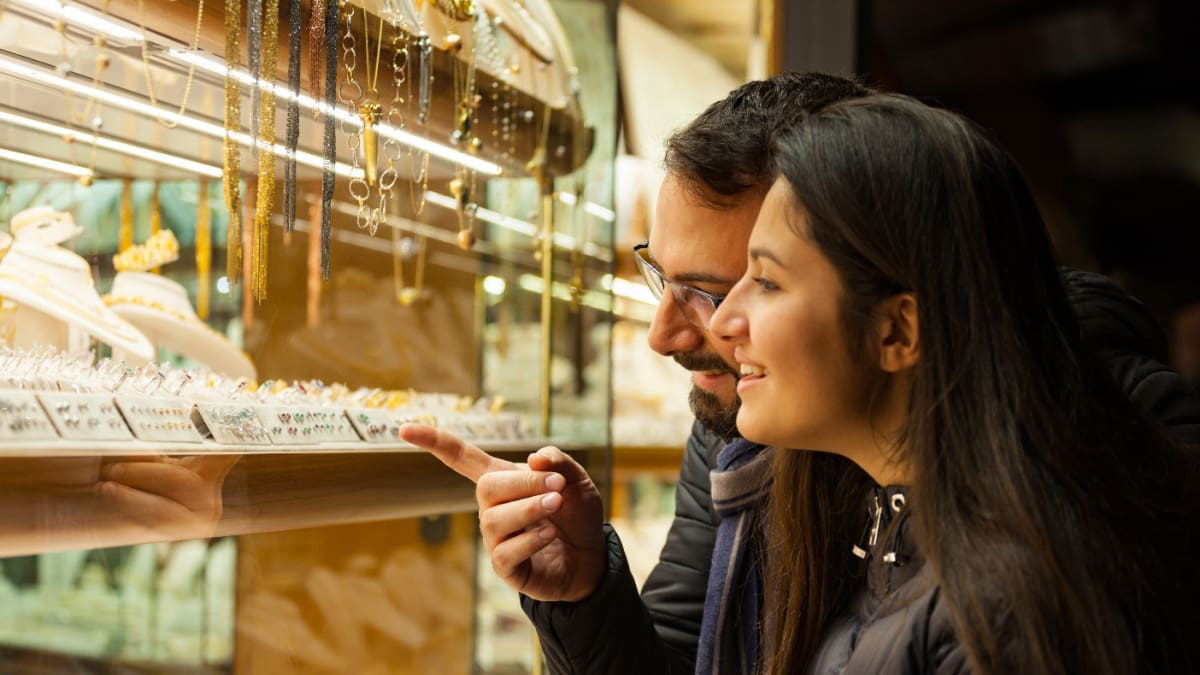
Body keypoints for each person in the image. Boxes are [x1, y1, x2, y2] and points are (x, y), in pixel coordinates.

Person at [401, 74, 1200, 675]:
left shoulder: (1059, 518)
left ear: (894, 314)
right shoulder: (751, 437)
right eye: (662, 278)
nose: (670, 332)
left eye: (749, 280)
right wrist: (582, 595)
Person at [705, 92, 1198, 674]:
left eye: (766, 281)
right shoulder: (899, 539)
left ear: (897, 331)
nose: (721, 322)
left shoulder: (1006, 616)